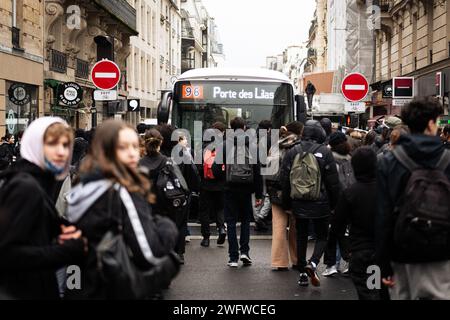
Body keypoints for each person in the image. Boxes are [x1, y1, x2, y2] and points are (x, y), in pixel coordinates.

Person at [66, 120, 179, 299]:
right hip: (115, 286)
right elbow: (149, 253)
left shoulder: (84, 186)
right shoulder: (121, 190)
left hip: (85, 283)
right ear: (106, 151)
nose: (132, 153)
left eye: (135, 146)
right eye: (123, 147)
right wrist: (167, 228)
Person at [0, 117, 86, 299]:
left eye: (65, 145)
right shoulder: (26, 187)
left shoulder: (37, 181)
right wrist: (64, 251)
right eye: (52, 144)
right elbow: (7, 253)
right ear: (34, 145)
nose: (61, 152)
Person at [376, 98, 450, 300]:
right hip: (442, 251)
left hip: (402, 251)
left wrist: (384, 264)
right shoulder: (447, 159)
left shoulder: (389, 161)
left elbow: (383, 216)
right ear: (431, 123)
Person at [280, 120, 340, 287]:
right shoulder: (325, 152)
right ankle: (313, 263)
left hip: (298, 202)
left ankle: (301, 274)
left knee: (300, 236)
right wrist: (335, 205)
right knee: (322, 236)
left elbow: (284, 180)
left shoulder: (292, 151)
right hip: (321, 203)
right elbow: (333, 183)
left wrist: (287, 205)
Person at [329, 147, 380, 300]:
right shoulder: (385, 189)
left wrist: (343, 251)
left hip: (360, 250)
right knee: (376, 290)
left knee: (366, 293)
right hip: (381, 249)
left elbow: (337, 225)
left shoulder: (350, 193)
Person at [213, 117, 263, 268]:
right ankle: (245, 252)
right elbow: (257, 171)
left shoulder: (224, 144)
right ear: (244, 128)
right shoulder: (253, 145)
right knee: (246, 221)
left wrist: (224, 179)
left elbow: (215, 169)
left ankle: (233, 257)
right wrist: (259, 194)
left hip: (229, 189)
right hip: (247, 189)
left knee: (231, 221)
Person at [139, 129, 190, 264]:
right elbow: (183, 185)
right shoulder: (168, 162)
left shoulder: (138, 164)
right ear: (160, 142)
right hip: (166, 204)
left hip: (145, 205)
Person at [267, 122, 303, 271]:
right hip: (296, 191)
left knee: (278, 227)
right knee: (297, 227)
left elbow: (268, 170)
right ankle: (296, 259)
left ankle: (279, 261)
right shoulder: (300, 147)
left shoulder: (274, 146)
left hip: (276, 191)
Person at [323, 131, 354, 277]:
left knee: (332, 234)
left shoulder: (329, 159)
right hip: (351, 201)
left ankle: (332, 264)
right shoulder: (350, 158)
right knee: (346, 233)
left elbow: (330, 184)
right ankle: (349, 261)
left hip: (334, 202)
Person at [199, 125, 227, 247]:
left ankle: (206, 238)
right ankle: (221, 228)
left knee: (204, 211)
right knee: (219, 208)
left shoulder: (200, 150)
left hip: (205, 185)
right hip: (220, 185)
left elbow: (198, 169)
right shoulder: (221, 149)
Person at [254, 120, 274, 232]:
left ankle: (258, 218)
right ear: (269, 129)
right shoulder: (270, 139)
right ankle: (261, 217)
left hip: (254, 169)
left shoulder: (252, 137)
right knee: (268, 194)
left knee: (257, 196)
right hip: (267, 168)